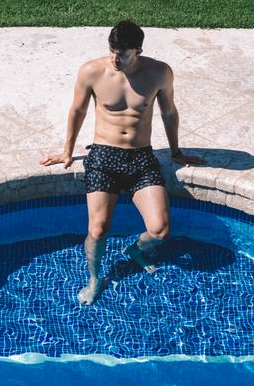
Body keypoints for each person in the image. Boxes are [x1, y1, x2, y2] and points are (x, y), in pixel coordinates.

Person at [40, 20, 200, 305]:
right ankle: (94, 278)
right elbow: (77, 111)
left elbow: (169, 113)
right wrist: (67, 151)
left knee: (160, 230)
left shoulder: (159, 73)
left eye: (122, 53)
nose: (115, 58)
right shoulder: (92, 72)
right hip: (104, 156)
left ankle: (135, 250)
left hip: (141, 157)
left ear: (138, 51)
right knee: (98, 229)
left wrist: (176, 151)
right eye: (112, 50)